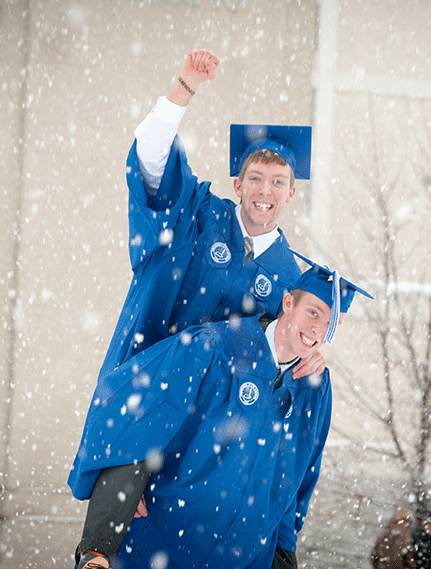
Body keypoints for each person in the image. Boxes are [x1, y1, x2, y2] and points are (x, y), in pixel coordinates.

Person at [68, 254, 372, 569]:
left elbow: (296, 478)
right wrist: (100, 544)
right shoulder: (213, 348)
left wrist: (283, 554)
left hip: (242, 560)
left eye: (331, 323)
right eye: (313, 312)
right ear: (288, 303)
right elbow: (134, 419)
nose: (318, 330)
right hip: (159, 546)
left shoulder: (313, 388)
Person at [103, 47, 325, 379]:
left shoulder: (290, 285)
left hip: (207, 427)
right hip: (139, 390)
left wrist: (306, 360)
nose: (265, 191)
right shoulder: (197, 217)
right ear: (237, 185)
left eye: (278, 182)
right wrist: (186, 85)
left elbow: (277, 367)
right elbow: (151, 156)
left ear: (291, 194)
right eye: (255, 178)